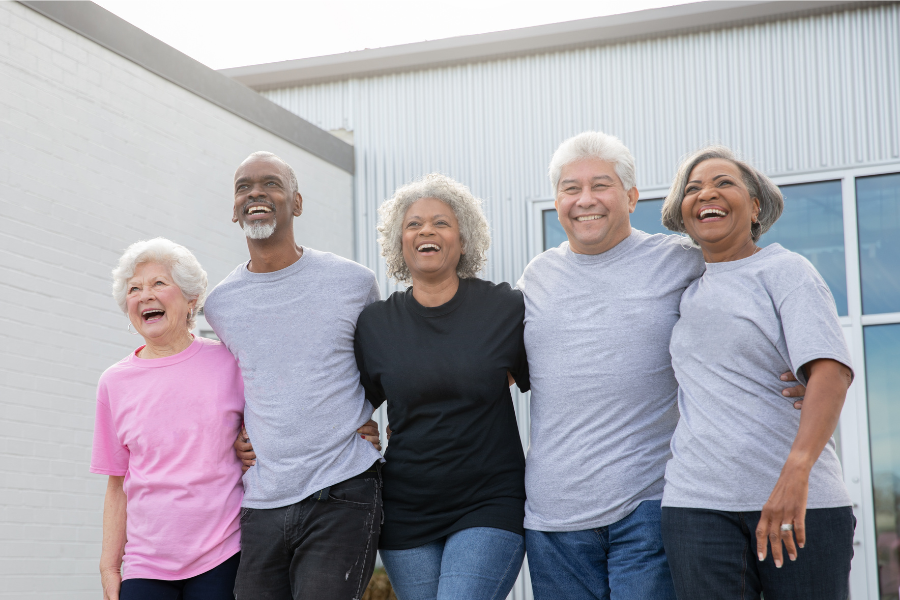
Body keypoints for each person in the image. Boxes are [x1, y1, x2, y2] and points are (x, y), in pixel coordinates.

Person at [516, 131, 807, 600]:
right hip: (553, 520)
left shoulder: (680, 261)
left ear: (631, 197)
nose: (585, 200)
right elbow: (494, 365)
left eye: (601, 185)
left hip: (649, 507)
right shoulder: (536, 277)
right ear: (557, 201)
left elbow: (747, 300)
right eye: (571, 188)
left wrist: (803, 369)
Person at [659, 146, 856, 599]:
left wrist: (796, 472)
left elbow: (831, 371)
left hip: (799, 501)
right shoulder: (684, 290)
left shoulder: (786, 271)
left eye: (724, 183)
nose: (707, 192)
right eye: (693, 189)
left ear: (755, 207)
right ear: (683, 215)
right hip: (696, 507)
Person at [203, 151, 384, 600]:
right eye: (244, 186)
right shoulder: (221, 305)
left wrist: (371, 415)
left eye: (271, 183)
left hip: (342, 490)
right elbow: (230, 386)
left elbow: (384, 367)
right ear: (234, 210)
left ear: (296, 203)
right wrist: (236, 431)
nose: (256, 193)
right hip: (261, 499)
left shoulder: (352, 282)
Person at [354, 173, 530, 600]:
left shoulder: (505, 309)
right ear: (400, 243)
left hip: (488, 501)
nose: (426, 231)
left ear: (464, 240)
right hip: (405, 509)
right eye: (413, 224)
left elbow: (558, 382)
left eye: (441, 222)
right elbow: (344, 404)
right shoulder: (375, 324)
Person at [92, 238, 244, 600]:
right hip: (145, 563)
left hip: (223, 554)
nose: (145, 295)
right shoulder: (114, 383)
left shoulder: (229, 363)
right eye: (134, 288)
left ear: (191, 298)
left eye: (159, 283)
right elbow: (118, 484)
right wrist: (110, 566)